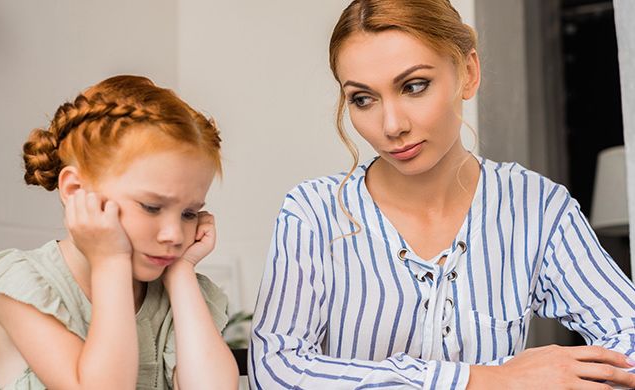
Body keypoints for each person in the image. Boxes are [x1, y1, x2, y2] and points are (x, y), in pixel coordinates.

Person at [249, 1, 635, 388]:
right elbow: (276, 371)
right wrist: (487, 380)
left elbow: (629, 336)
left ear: (468, 73)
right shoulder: (312, 213)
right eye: (363, 99)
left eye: (414, 86)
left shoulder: (537, 206)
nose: (392, 125)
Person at [0, 75, 239, 389]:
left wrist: (181, 274)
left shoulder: (171, 291)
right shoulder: (20, 288)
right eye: (152, 207)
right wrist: (110, 262)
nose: (174, 234)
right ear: (74, 190)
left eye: (189, 213)